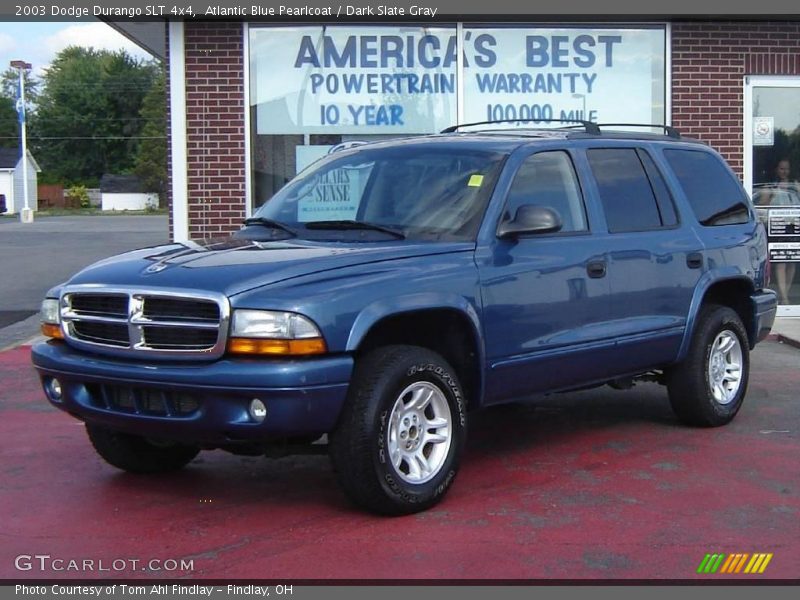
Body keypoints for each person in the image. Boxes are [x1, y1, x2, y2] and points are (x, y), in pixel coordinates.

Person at [764, 159, 798, 304]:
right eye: (782, 169)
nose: (784, 172)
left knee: (792, 261)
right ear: (776, 170)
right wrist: (771, 194)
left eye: (787, 169)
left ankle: (786, 293)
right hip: (778, 226)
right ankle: (784, 297)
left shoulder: (794, 186)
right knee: (780, 262)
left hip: (793, 225)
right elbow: (762, 205)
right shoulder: (771, 186)